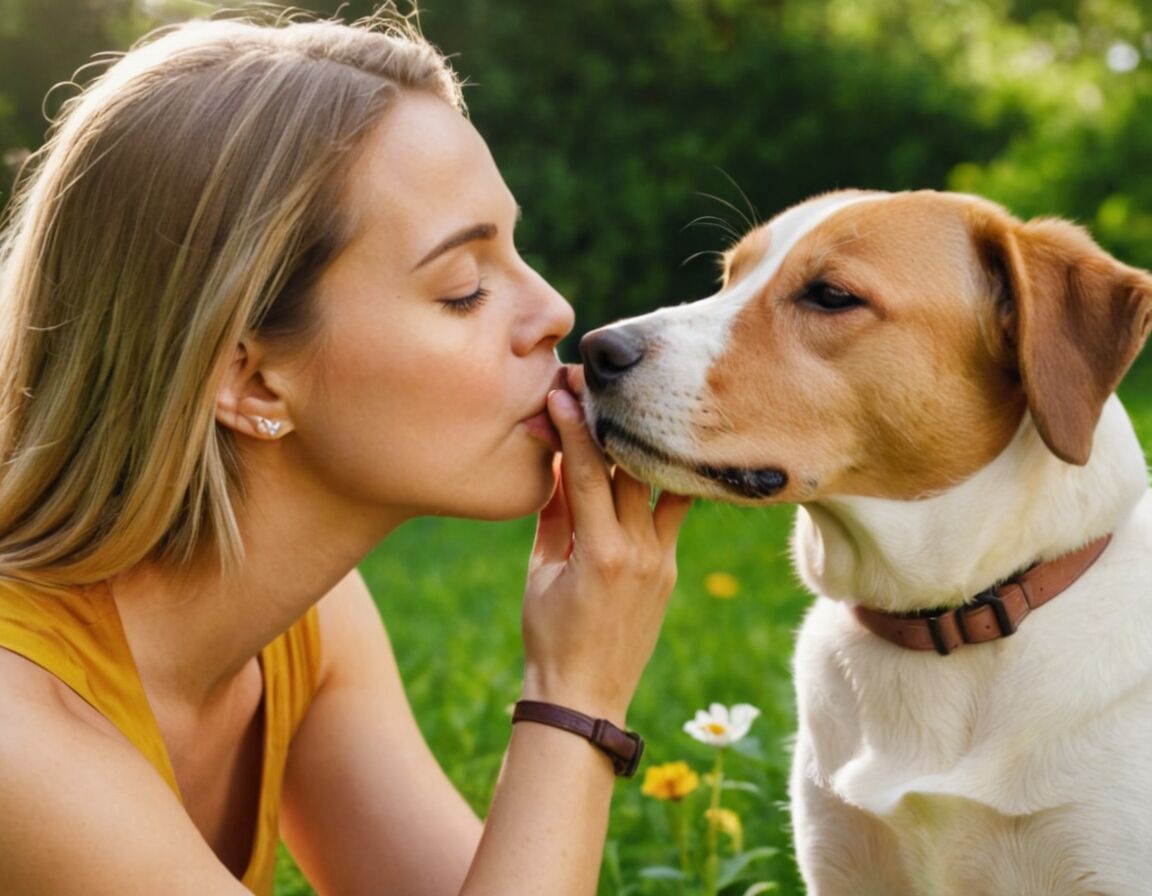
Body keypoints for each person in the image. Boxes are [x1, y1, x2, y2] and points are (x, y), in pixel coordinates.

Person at [0, 8, 691, 894]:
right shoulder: (20, 736)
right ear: (250, 380)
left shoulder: (307, 626)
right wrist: (578, 691)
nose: (555, 312)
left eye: (516, 254)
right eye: (464, 290)